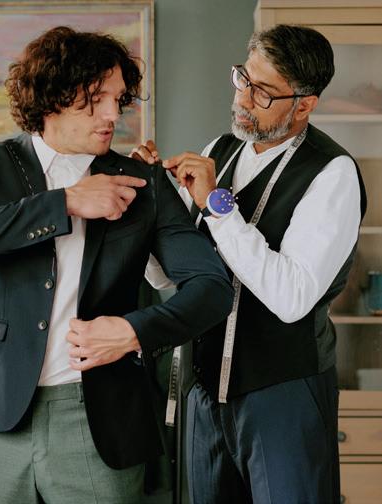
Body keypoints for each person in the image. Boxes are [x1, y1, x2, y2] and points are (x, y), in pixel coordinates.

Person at [0, 26, 233, 503]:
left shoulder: (143, 183)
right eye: (96, 100)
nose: (113, 114)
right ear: (51, 99)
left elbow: (212, 288)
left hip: (99, 420)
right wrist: (66, 202)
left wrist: (134, 332)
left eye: (118, 99)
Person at [134, 24, 367, 504]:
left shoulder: (333, 172)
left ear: (304, 104)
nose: (242, 98)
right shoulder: (217, 152)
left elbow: (292, 298)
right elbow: (169, 277)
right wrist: (151, 208)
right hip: (204, 392)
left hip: (283, 394)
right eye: (243, 78)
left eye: (262, 92)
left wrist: (218, 207)